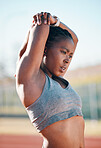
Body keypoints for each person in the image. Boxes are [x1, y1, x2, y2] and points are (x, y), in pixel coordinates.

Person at [16, 12, 85, 148]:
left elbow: (74, 39)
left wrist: (56, 22)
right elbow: (42, 25)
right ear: (45, 50)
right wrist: (47, 20)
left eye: (70, 56)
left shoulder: (58, 80)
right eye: (63, 52)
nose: (67, 60)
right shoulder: (31, 79)